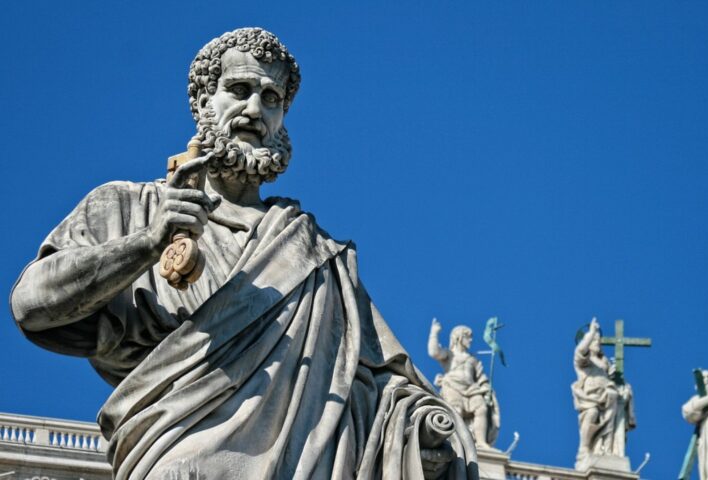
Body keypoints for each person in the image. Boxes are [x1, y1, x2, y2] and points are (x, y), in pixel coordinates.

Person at [10, 27, 476, 480]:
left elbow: (378, 384)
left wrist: (419, 430)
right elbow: (31, 304)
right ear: (203, 102)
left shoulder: (314, 252)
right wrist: (148, 243)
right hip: (178, 456)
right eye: (239, 90)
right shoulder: (130, 206)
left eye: (272, 99)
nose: (255, 109)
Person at [571, 318, 635, 469]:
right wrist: (591, 333)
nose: (598, 343)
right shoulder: (584, 361)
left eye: (598, 341)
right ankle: (584, 448)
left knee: (609, 422)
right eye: (594, 341)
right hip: (590, 397)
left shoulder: (604, 362)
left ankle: (605, 449)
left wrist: (613, 376)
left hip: (607, 398)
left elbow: (611, 379)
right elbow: (579, 351)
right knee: (592, 413)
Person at [428, 319, 500, 449]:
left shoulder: (473, 360)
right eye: (468, 337)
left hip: (472, 389)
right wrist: (434, 333)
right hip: (452, 386)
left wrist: (486, 389)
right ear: (459, 337)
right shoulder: (449, 354)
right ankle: (456, 442)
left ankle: (481, 442)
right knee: (456, 411)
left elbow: (481, 378)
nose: (471, 340)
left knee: (482, 408)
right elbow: (434, 352)